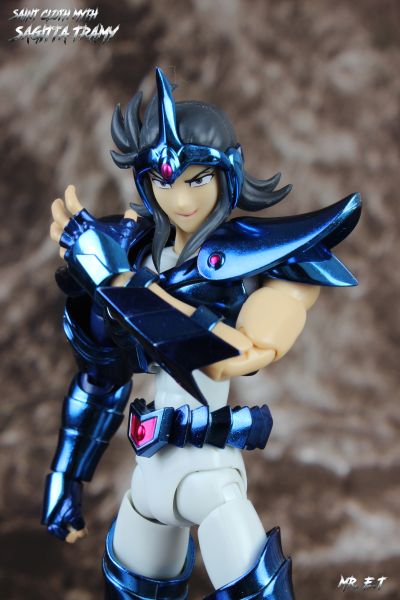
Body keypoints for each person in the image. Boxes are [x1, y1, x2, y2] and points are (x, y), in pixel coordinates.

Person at [42, 68, 361, 599]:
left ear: (226, 175)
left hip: (210, 478)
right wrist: (66, 476)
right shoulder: (132, 251)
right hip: (147, 482)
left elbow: (235, 354)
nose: (179, 197)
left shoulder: (251, 264)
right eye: (163, 180)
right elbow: (102, 375)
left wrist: (115, 280)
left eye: (196, 179)